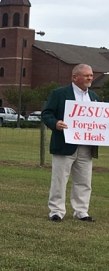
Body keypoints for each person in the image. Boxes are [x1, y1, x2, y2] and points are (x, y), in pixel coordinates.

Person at [42, 63, 98, 223]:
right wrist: (55, 124)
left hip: (86, 146)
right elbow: (46, 114)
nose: (90, 78)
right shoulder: (59, 94)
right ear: (75, 77)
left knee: (84, 181)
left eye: (91, 75)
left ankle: (81, 211)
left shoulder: (94, 97)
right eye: (86, 75)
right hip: (64, 144)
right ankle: (56, 211)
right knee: (59, 179)